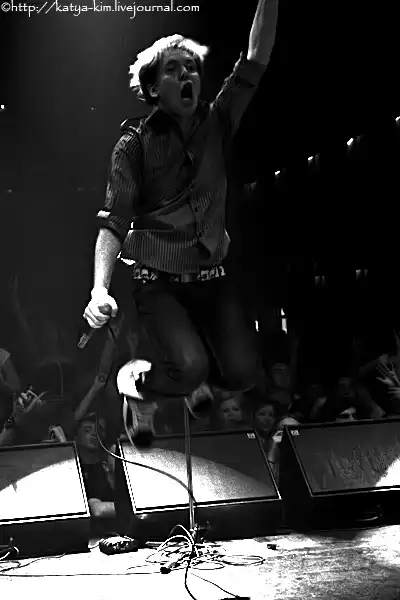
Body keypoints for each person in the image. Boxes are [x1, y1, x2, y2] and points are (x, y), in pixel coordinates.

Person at [83, 0, 280, 446]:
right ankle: (138, 385)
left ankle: (186, 381)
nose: (186, 73)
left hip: (212, 277)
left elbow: (255, 59)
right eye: (173, 69)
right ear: (153, 88)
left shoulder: (218, 120)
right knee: (189, 367)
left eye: (191, 67)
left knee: (244, 373)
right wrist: (99, 289)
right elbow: (113, 222)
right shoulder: (133, 144)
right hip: (159, 281)